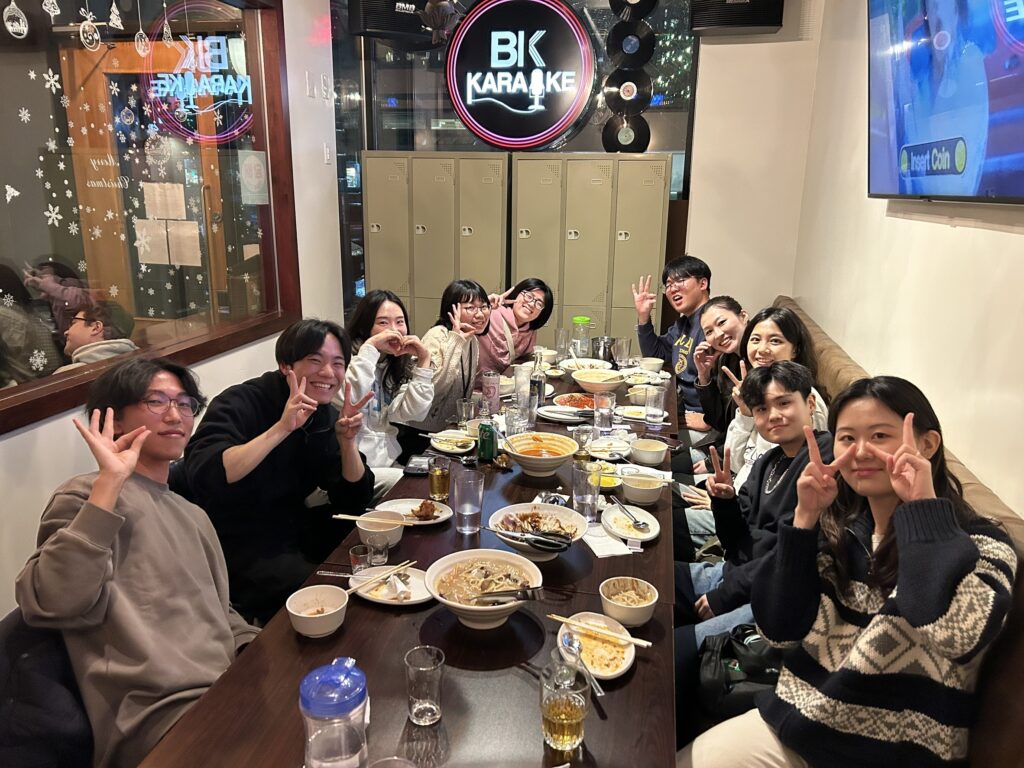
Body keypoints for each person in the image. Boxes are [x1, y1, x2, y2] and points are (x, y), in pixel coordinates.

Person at [678, 377, 1017, 768]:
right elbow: (778, 630)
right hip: (802, 722)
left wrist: (922, 510)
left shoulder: (983, 541)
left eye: (880, 436)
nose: (861, 451)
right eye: (847, 438)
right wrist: (804, 518)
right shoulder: (843, 527)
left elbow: (958, 636)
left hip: (890, 755)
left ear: (927, 444)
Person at [15, 358, 259, 768]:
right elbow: (52, 601)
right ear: (113, 419)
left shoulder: (191, 514)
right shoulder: (84, 497)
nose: (175, 415)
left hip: (226, 692)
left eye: (184, 404)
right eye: (155, 401)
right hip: (157, 721)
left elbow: (220, 609)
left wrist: (255, 648)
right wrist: (110, 482)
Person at [182, 318, 374, 623]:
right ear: (286, 365)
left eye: (338, 363)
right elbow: (208, 472)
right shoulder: (241, 401)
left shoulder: (322, 413)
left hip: (293, 526)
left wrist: (348, 443)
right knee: (327, 590)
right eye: (315, 360)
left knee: (368, 546)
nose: (328, 373)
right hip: (239, 542)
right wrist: (282, 428)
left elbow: (352, 500)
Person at [722, 306, 829, 489]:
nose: (762, 349)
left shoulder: (804, 401)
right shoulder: (759, 388)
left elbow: (789, 482)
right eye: (755, 340)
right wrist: (745, 414)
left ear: (795, 350)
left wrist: (730, 502)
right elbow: (736, 464)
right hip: (740, 490)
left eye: (775, 341)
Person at [343, 290, 433, 499]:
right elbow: (352, 395)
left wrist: (424, 360)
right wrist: (371, 347)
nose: (394, 330)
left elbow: (414, 412)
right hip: (356, 469)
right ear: (365, 326)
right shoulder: (347, 361)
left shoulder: (392, 365)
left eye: (400, 322)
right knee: (422, 487)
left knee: (442, 476)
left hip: (388, 463)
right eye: (383, 323)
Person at [632, 255, 713, 453]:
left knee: (641, 443)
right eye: (668, 284)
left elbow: (731, 381)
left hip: (706, 424)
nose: (672, 289)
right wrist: (643, 317)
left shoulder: (713, 323)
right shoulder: (683, 323)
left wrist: (710, 419)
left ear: (703, 283)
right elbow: (657, 355)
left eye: (680, 280)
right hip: (681, 410)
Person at [407, 279, 492, 434]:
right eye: (470, 308)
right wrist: (455, 340)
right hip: (423, 430)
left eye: (484, 307)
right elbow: (432, 390)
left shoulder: (472, 340)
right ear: (452, 310)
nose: (480, 314)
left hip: (452, 428)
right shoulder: (437, 336)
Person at [478, 277, 554, 378]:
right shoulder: (491, 315)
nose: (531, 304)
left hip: (507, 384)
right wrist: (482, 307)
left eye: (539, 303)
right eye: (529, 296)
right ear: (517, 294)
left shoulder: (530, 331)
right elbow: (461, 323)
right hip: (477, 384)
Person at [0, 264, 61, 383]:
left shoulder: (5, 314)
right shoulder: (23, 310)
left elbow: (18, 365)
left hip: (35, 383)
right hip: (47, 377)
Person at [53, 301, 138, 374]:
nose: (66, 332)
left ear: (96, 328)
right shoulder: (138, 364)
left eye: (74, 323)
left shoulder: (66, 375)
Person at [22, 258, 92, 337]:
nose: (37, 276)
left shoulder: (71, 284)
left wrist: (50, 286)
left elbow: (77, 300)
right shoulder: (55, 301)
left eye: (42, 269)